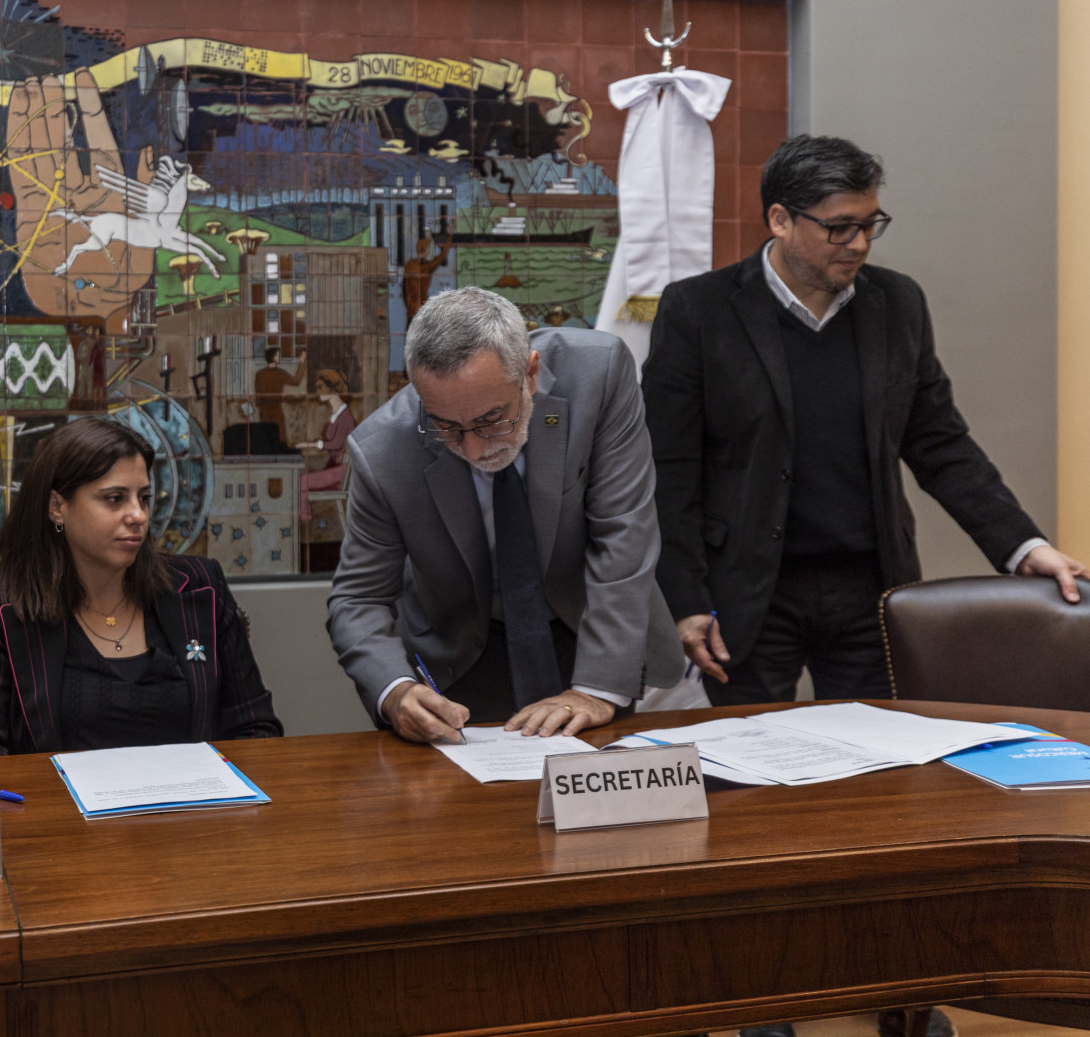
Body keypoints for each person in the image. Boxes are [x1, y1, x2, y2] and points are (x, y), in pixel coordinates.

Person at [643, 137, 1084, 1037]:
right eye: (840, 227)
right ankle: (764, 1000)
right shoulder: (699, 312)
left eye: (870, 224)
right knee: (748, 815)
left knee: (886, 807)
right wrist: (686, 597)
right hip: (744, 604)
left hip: (871, 595)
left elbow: (940, 442)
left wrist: (1023, 544)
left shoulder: (894, 305)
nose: (859, 245)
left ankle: (899, 997)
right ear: (779, 220)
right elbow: (669, 470)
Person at [326, 286, 681, 745]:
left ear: (530, 374)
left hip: (589, 627)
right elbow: (358, 598)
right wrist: (395, 690)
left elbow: (624, 537)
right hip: (461, 653)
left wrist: (595, 690)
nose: (474, 449)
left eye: (493, 420)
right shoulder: (383, 451)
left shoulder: (598, 374)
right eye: (447, 427)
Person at [0, 417, 282, 757]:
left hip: (192, 809)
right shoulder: (9, 607)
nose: (139, 515)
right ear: (58, 507)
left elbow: (255, 728)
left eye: (143, 498)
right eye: (115, 499)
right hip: (66, 811)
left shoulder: (198, 589)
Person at [297, 368, 356, 521]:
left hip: (341, 472)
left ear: (333, 389)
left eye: (320, 387)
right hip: (333, 466)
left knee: (302, 481)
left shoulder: (345, 416)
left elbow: (336, 444)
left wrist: (312, 445)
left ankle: (304, 521)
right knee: (298, 478)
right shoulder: (336, 413)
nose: (318, 392)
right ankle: (302, 522)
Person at [252, 346, 306, 446]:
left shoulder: (260, 374)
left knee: (267, 439)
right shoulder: (279, 373)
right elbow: (296, 381)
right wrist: (302, 362)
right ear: (272, 356)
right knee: (278, 439)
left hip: (266, 411)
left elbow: (257, 397)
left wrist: (261, 407)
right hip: (274, 410)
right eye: (277, 355)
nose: (279, 357)